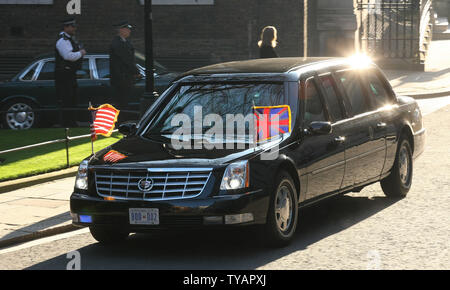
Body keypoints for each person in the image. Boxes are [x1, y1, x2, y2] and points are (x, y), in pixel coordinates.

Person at [55, 18, 86, 127]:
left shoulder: (70, 40)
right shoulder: (62, 41)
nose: (74, 28)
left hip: (70, 74)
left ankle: (71, 122)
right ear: (65, 27)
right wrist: (81, 53)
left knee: (72, 99)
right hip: (64, 76)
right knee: (66, 99)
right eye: (72, 26)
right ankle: (66, 123)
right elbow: (68, 56)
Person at [109, 21, 139, 109]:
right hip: (121, 78)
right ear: (121, 30)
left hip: (125, 77)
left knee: (124, 101)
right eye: (127, 29)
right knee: (122, 102)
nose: (129, 31)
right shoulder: (118, 43)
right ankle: (122, 120)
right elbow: (127, 59)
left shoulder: (124, 42)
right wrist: (136, 72)